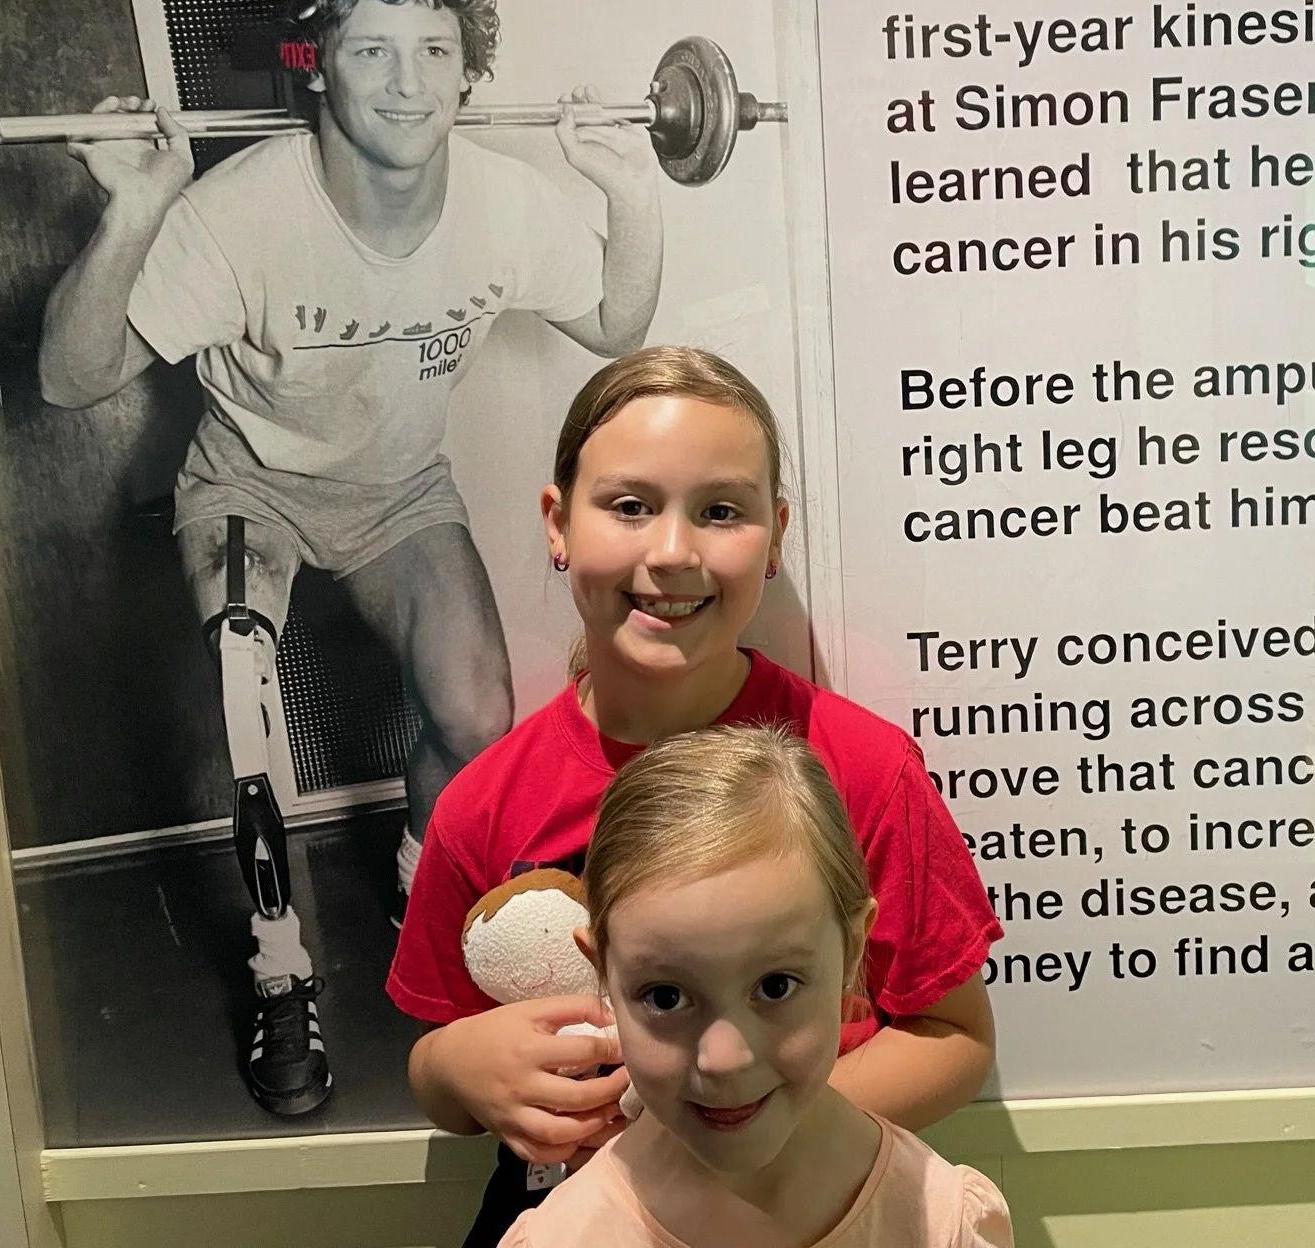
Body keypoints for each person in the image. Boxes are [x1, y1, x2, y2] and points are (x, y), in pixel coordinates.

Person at [37, 0, 665, 1116]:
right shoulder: (237, 216)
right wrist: (132, 212)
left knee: (478, 717)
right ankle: (284, 976)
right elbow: (70, 380)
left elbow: (614, 324)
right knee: (247, 710)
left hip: (398, 491)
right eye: (371, 49)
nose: (407, 84)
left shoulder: (501, 204)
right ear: (315, 63)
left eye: (435, 50)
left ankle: (424, 883)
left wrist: (633, 193)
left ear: (469, 71)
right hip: (249, 487)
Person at [389, 346, 1003, 1245]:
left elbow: (954, 1035)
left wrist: (754, 1119)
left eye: (720, 511)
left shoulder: (865, 770)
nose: (673, 552)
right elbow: (438, 1065)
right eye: (629, 506)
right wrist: (455, 1065)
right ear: (558, 524)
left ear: (775, 534)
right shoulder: (483, 803)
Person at [497, 723, 1014, 1247]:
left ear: (852, 947)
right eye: (666, 997)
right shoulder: (561, 1238)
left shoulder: (940, 1223)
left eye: (775, 987)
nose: (723, 1060)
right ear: (603, 968)